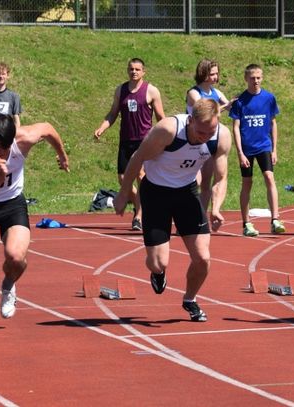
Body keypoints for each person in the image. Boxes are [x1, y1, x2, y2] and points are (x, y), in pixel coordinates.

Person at [113, 99, 231, 322]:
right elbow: (137, 158)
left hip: (186, 193)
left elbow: (221, 178)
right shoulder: (168, 130)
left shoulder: (221, 136)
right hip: (156, 193)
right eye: (200, 132)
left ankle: (190, 299)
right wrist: (123, 193)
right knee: (159, 263)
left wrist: (216, 208)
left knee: (203, 258)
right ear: (190, 120)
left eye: (210, 132)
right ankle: (157, 273)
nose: (205, 137)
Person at [0, 111, 69, 328]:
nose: (4, 152)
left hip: (12, 204)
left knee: (16, 257)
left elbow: (47, 127)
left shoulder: (22, 139)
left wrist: (61, 154)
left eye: (7, 147)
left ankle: (8, 286)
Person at [94, 58, 165, 231]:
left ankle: (139, 215)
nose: (134, 72)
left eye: (137, 69)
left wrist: (163, 138)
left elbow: (161, 118)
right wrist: (102, 128)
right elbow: (112, 114)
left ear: (143, 72)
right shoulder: (121, 90)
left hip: (144, 141)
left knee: (141, 176)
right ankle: (139, 205)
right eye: (131, 69)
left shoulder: (151, 91)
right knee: (123, 179)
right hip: (126, 140)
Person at [229, 63, 284, 237]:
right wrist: (240, 152)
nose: (256, 81)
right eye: (252, 78)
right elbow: (236, 127)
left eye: (258, 77)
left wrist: (274, 149)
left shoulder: (269, 98)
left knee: (269, 176)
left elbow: (273, 123)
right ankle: (246, 223)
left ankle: (275, 219)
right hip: (247, 148)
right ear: (246, 79)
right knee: (247, 182)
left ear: (262, 78)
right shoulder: (240, 101)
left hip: (264, 146)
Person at [186, 59, 232, 211]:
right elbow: (205, 110)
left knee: (206, 183)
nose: (215, 77)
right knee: (193, 182)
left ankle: (201, 218)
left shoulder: (217, 92)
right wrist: (226, 106)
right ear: (203, 74)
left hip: (212, 139)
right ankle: (185, 215)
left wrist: (237, 103)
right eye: (212, 74)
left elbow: (229, 108)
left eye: (217, 73)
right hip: (195, 140)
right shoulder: (193, 93)